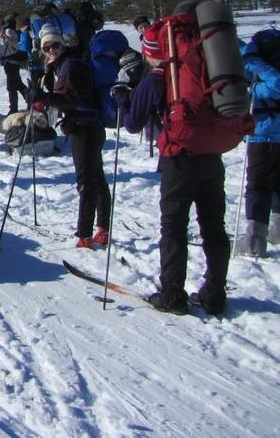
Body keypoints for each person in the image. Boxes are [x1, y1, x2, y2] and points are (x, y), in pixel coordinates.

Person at [116, 22, 230, 315]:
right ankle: (215, 293)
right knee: (215, 227)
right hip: (212, 154)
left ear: (153, 51)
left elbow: (132, 123)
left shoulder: (156, 77)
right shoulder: (206, 68)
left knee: (174, 227)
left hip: (178, 158)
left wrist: (122, 97)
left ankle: (172, 294)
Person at [33, 24, 110, 249]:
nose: (51, 50)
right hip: (86, 127)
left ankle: (85, 235)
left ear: (63, 44)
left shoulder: (72, 66)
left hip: (85, 129)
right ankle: (102, 228)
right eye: (47, 47)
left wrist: (46, 98)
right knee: (95, 177)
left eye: (55, 45)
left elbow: (73, 100)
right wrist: (45, 75)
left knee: (87, 181)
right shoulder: (62, 65)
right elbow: (58, 93)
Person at [235, 31, 280, 257]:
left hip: (263, 135)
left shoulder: (260, 67)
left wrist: (253, 88)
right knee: (275, 185)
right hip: (271, 134)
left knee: (258, 188)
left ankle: (254, 242)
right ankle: (276, 231)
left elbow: (277, 84)